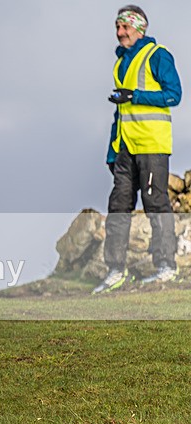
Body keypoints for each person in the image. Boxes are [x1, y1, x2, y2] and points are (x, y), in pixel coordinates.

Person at [94, 5, 182, 294]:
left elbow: (174, 95)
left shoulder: (157, 55)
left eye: (125, 27)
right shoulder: (121, 63)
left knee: (155, 202)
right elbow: (120, 113)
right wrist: (112, 152)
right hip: (125, 148)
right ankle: (115, 271)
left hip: (152, 146)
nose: (120, 32)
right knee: (118, 205)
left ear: (139, 28)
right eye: (117, 27)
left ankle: (166, 267)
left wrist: (135, 95)